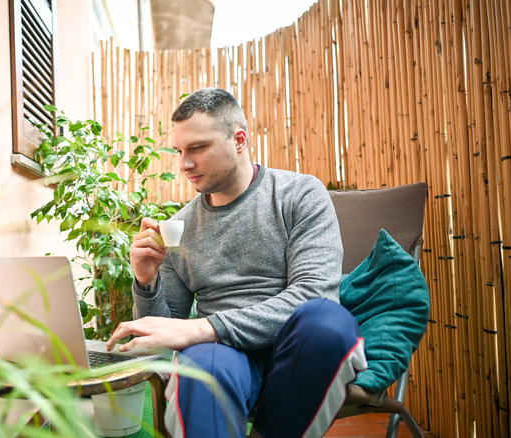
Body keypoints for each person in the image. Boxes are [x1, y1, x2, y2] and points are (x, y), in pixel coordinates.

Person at [106, 87, 366, 438]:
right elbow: (164, 334)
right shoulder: (179, 228)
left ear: (239, 140)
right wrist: (147, 281)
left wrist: (202, 328)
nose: (184, 164)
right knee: (203, 365)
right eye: (179, 151)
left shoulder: (299, 194)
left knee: (327, 321)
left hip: (296, 350)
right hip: (224, 358)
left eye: (197, 148)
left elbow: (313, 294)